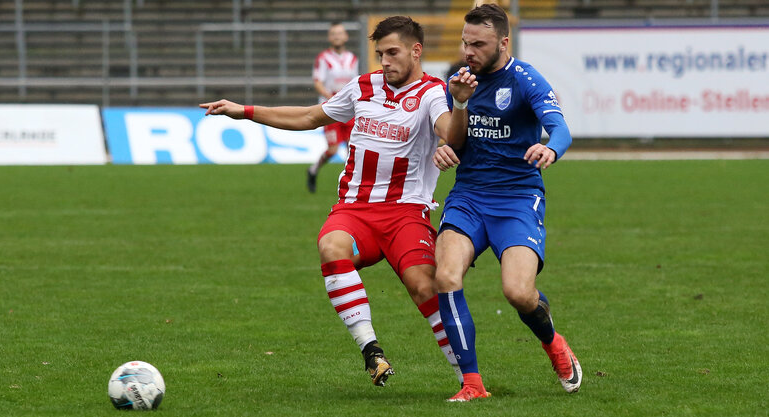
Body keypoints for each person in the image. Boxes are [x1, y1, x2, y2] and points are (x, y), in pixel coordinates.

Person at [200, 16, 463, 388]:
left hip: (406, 212)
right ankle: (371, 350)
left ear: (415, 51)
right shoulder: (362, 87)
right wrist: (244, 111)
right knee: (330, 245)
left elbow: (448, 129)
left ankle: (467, 380)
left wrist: (449, 139)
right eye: (379, 54)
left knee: (424, 288)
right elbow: (309, 116)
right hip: (355, 209)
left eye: (392, 53)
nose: (384, 61)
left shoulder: (433, 93)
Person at [432, 4, 580, 402]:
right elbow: (456, 141)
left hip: (517, 198)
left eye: (478, 44)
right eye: (465, 43)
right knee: (445, 277)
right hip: (468, 197)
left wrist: (552, 149)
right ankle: (473, 384)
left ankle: (553, 343)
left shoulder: (526, 79)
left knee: (518, 293)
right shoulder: (459, 81)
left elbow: (560, 128)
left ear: (502, 41)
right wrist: (455, 117)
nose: (469, 51)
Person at [307, 22, 359, 193]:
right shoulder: (323, 58)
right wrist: (333, 98)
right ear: (330, 37)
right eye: (334, 34)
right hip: (331, 109)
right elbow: (317, 82)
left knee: (353, 148)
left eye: (340, 33)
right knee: (332, 149)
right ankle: (313, 170)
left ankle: (351, 184)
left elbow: (354, 82)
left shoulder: (352, 59)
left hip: (349, 109)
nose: (337, 36)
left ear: (346, 37)